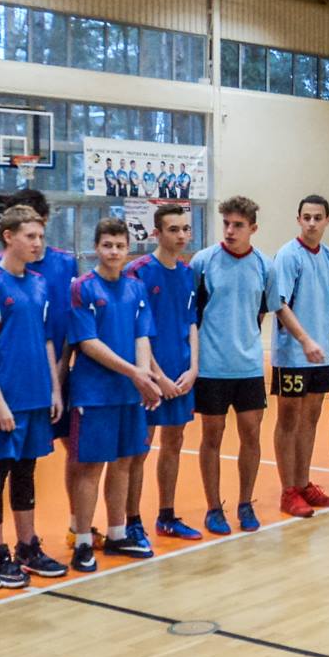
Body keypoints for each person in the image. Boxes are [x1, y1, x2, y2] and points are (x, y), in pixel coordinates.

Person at [0, 206, 67, 586]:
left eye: (41, 237)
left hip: (37, 394)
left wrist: (54, 388)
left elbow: (47, 339)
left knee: (27, 471)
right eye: (30, 236)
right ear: (8, 237)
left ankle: (27, 546)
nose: (37, 243)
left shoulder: (39, 283)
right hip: (7, 397)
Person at [67, 218, 160, 570]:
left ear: (128, 250)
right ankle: (82, 541)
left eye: (120, 246)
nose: (114, 252)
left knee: (123, 464)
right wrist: (136, 373)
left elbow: (141, 335)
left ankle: (117, 534)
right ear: (96, 247)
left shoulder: (135, 288)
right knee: (90, 468)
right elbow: (88, 343)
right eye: (107, 245)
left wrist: (144, 377)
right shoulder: (83, 287)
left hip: (128, 394)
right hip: (94, 394)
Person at [270, 195, 329, 518]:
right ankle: (288, 491)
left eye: (317, 218)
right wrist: (304, 340)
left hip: (320, 355)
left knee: (310, 418)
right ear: (299, 220)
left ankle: (303, 482)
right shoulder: (288, 256)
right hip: (293, 355)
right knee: (289, 419)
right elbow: (279, 304)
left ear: (327, 221)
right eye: (306, 217)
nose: (311, 223)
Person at [1, 189, 81, 548]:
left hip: (61, 371)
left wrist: (61, 372)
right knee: (15, 463)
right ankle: (16, 541)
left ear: (44, 222)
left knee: (76, 448)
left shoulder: (64, 264)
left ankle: (78, 525)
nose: (32, 239)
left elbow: (68, 322)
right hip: (21, 381)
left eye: (36, 228)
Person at [190, 197, 272, 534]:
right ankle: (213, 508)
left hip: (249, 366)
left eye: (238, 225)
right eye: (226, 223)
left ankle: (245, 503)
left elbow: (262, 311)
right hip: (211, 367)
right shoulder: (202, 262)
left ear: (253, 228)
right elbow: (192, 316)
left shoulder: (264, 265)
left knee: (251, 434)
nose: (230, 230)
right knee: (212, 435)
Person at [125, 205, 201, 541]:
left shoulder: (187, 273)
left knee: (174, 442)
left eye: (185, 229)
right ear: (157, 233)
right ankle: (131, 521)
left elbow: (192, 323)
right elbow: (138, 329)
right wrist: (157, 376)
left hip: (181, 375)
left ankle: (166, 516)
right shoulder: (139, 271)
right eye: (173, 229)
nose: (181, 235)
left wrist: (194, 368)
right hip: (150, 379)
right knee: (139, 449)